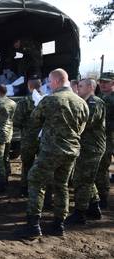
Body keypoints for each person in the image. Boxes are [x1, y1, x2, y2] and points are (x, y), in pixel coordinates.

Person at [20, 68, 89, 238]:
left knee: (36, 180)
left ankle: (33, 224)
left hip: (51, 150)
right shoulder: (82, 102)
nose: (49, 85)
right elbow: (81, 128)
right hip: (71, 151)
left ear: (57, 81)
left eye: (50, 81)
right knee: (61, 185)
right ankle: (59, 224)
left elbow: (34, 123)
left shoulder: (49, 100)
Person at [66, 78, 106, 224]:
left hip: (92, 148)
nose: (78, 88)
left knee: (82, 180)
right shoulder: (86, 102)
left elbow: (87, 122)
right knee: (86, 178)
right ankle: (94, 207)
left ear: (90, 87)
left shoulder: (95, 103)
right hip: (87, 146)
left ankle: (80, 213)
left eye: (81, 86)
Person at [13, 77, 42, 196]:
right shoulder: (48, 100)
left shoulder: (24, 102)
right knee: (43, 164)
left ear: (29, 86)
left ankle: (25, 188)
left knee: (27, 164)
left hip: (28, 138)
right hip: (45, 138)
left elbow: (16, 121)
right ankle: (40, 189)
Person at [95, 72, 114, 209]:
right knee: (101, 167)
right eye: (101, 82)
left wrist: (104, 125)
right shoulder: (99, 97)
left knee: (102, 168)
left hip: (109, 137)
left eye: (106, 82)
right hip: (100, 138)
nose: (102, 84)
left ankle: (103, 197)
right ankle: (101, 197)